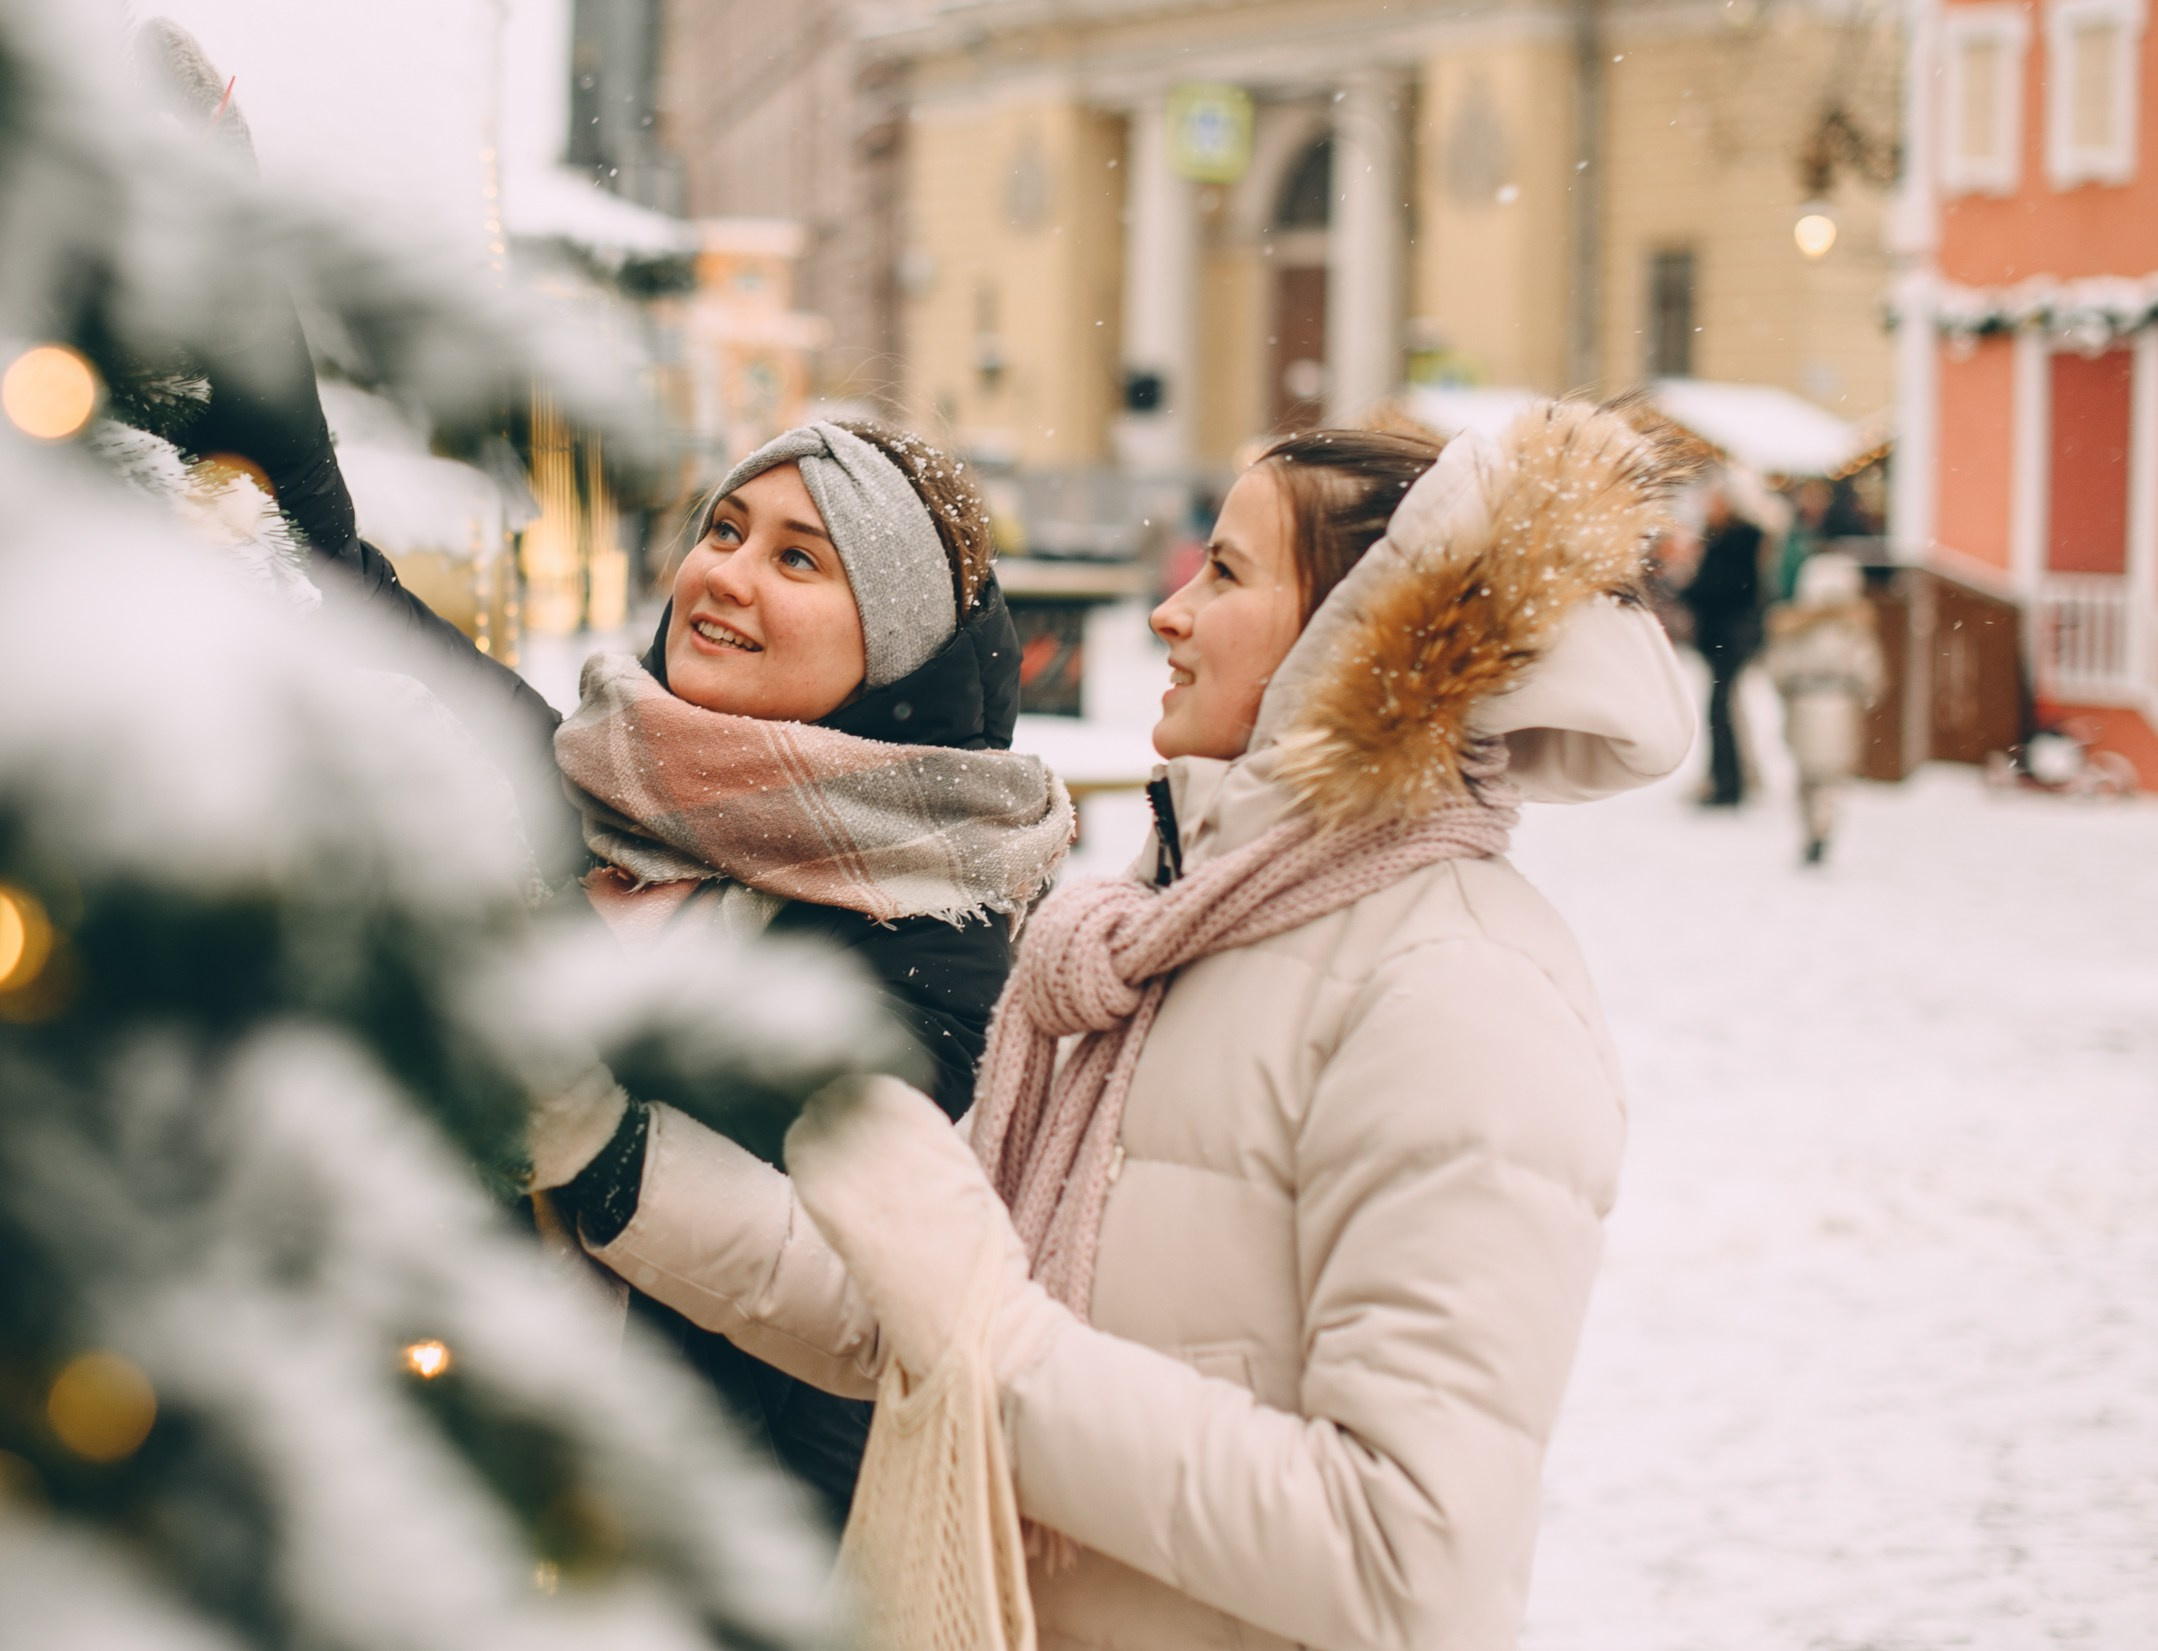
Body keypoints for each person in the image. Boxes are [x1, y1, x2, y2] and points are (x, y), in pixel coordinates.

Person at [529, 402, 1699, 1650]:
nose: (1167, 612)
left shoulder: (1458, 988)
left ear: (1366, 641)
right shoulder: (1155, 940)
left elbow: (1408, 1561)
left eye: (1228, 573)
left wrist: (1006, 1343)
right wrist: (608, 1155)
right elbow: (917, 1319)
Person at [1764, 551, 1884, 865]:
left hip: (1804, 705)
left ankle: (1810, 830)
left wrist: (1788, 692)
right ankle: (1823, 828)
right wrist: (1866, 695)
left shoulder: (1794, 626)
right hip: (1841, 705)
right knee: (1831, 778)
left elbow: (1778, 670)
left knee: (1806, 777)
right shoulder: (1855, 628)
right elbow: (1870, 672)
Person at [1682, 477, 1766, 806]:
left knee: (1721, 710)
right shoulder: (1724, 539)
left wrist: (1688, 588)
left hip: (1730, 637)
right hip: (1724, 637)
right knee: (1724, 709)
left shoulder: (1738, 540)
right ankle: (1728, 778)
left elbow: (1725, 588)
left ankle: (1729, 784)